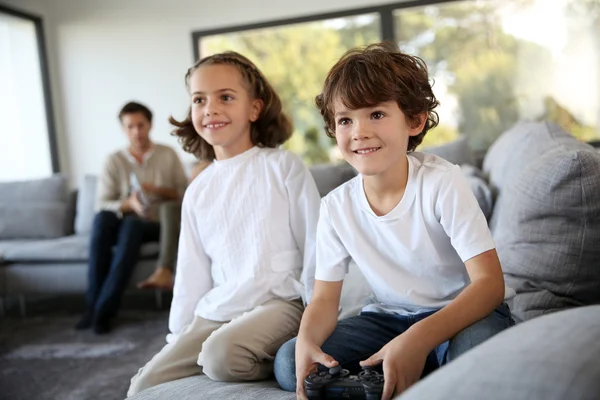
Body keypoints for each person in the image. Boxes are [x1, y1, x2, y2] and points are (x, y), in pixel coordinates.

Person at [273, 42, 515, 400]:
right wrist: (308, 341)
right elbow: (324, 298)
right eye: (345, 120)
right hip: (386, 320)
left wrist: (418, 338)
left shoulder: (441, 181)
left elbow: (489, 285)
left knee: (479, 358)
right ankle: (404, 368)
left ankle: (410, 362)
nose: (359, 131)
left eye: (376, 114)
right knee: (288, 362)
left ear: (414, 120)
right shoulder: (336, 207)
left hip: (461, 314)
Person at [127, 51, 321, 396]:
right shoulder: (198, 189)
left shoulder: (283, 166)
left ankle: (277, 358)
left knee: (219, 357)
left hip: (280, 303)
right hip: (219, 310)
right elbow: (191, 272)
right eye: (199, 100)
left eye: (226, 97)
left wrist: (317, 320)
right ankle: (223, 347)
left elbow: (316, 246)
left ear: (254, 109)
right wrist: (179, 338)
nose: (210, 109)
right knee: (143, 384)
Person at [75, 101, 188, 334]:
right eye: (130, 127)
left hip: (156, 222)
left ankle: (101, 311)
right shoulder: (113, 160)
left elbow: (184, 193)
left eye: (140, 125)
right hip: (125, 219)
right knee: (103, 220)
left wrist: (156, 189)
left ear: (150, 125)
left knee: (131, 226)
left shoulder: (167, 154)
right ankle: (95, 305)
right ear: (123, 129)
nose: (136, 132)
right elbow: (102, 204)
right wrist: (129, 203)